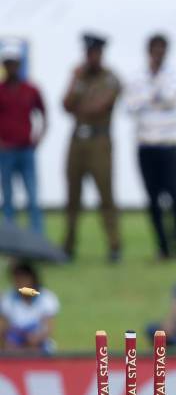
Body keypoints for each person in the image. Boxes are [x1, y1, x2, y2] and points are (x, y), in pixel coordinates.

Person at [126, 34, 176, 259]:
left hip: (168, 145)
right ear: (149, 51)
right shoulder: (136, 76)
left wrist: (148, 96)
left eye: (162, 49)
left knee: (175, 197)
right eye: (155, 49)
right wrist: (153, 96)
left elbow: (170, 98)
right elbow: (130, 106)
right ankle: (163, 247)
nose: (158, 54)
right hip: (146, 145)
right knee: (152, 199)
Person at [62, 33, 122, 262]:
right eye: (88, 53)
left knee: (106, 195)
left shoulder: (111, 78)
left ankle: (114, 245)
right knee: (72, 196)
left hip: (99, 142)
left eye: (95, 53)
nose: (91, 57)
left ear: (101, 54)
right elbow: (66, 105)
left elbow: (98, 107)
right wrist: (76, 84)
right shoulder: (78, 76)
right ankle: (68, 246)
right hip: (77, 141)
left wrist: (81, 105)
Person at [0, 40, 46, 233]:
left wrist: (39, 137)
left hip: (26, 149)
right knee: (8, 198)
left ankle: (37, 239)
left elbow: (43, 114)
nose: (12, 67)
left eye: (15, 63)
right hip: (6, 151)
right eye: (8, 63)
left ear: (20, 64)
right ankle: (10, 242)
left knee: (33, 197)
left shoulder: (31, 89)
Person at [0, 261, 59, 353]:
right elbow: (3, 327)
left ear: (32, 279)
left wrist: (36, 338)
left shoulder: (46, 298)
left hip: (39, 343)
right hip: (14, 344)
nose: (19, 284)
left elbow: (49, 327)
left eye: (23, 279)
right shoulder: (8, 299)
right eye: (16, 280)